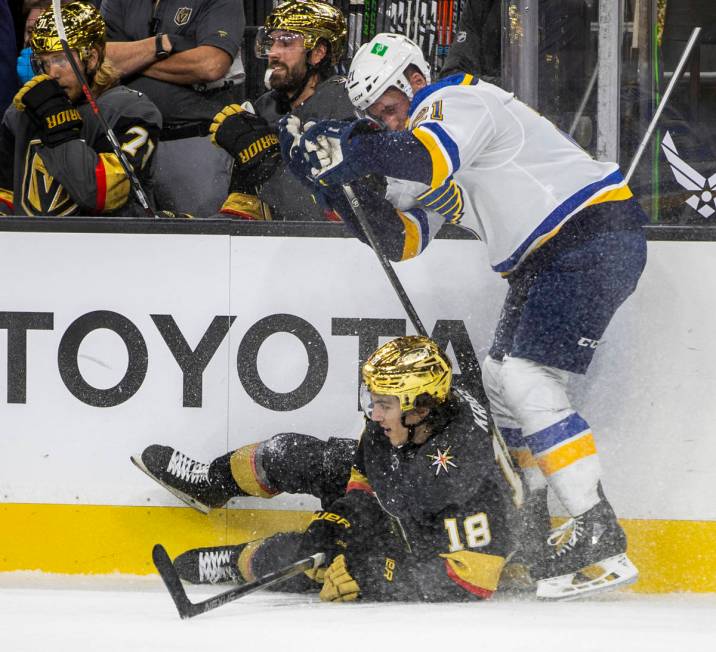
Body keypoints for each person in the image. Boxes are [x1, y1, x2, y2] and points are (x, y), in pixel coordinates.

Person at [280, 32, 646, 600]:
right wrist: (335, 186)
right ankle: (530, 528)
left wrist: (351, 147)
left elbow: (425, 154)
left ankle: (597, 528)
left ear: (415, 83)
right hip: (542, 259)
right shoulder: (412, 139)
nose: (390, 124)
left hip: (591, 233)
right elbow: (399, 240)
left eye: (390, 109)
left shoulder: (459, 100)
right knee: (501, 383)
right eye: (377, 118)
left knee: (526, 377)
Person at [134, 336, 523, 601]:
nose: (374, 412)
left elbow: (474, 578)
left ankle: (236, 563)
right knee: (293, 455)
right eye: (374, 399)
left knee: (313, 563)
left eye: (383, 403)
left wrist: (373, 573)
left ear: (419, 408)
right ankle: (210, 483)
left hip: (423, 542)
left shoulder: (466, 481)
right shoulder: (418, 414)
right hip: (403, 501)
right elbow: (368, 470)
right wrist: (339, 518)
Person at [0, 1, 161, 217]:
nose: (51, 73)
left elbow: (99, 194)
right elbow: (5, 196)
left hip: (108, 245)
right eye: (43, 63)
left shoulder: (133, 111)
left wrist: (60, 124)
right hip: (32, 247)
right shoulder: (21, 113)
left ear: (92, 58)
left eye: (60, 60)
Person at [209, 0, 356, 221]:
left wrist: (267, 158)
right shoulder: (265, 106)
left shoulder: (345, 107)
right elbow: (248, 207)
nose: (273, 53)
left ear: (317, 52)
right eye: (272, 42)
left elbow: (330, 212)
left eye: (286, 43)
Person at [99, 0, 246, 216]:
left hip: (192, 141)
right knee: (131, 239)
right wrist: (161, 45)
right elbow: (99, 57)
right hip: (126, 144)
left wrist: (132, 62)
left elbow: (211, 65)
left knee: (199, 240)